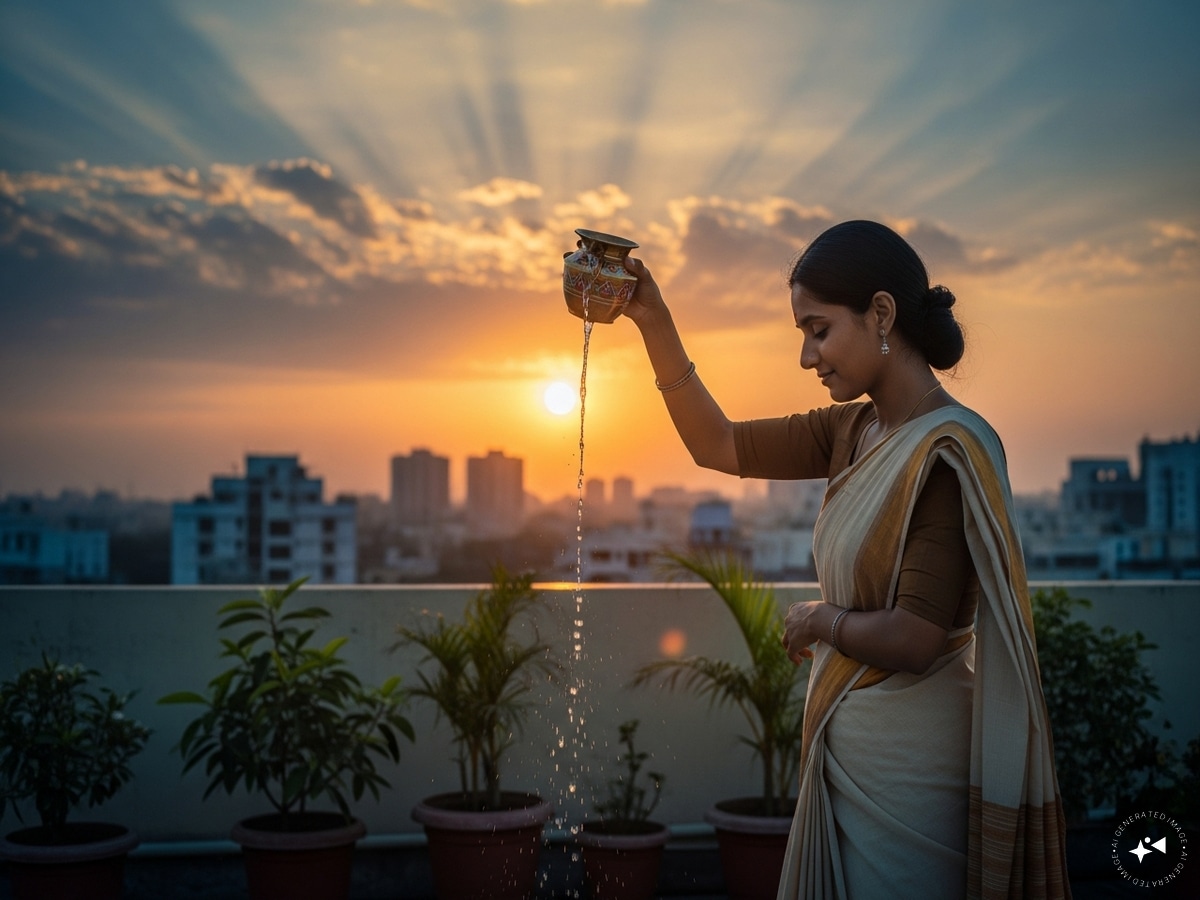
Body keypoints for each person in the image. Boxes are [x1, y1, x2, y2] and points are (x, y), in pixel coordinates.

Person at [619, 220, 1070, 899]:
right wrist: (651, 320)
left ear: (881, 313)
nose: (807, 356)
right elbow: (716, 444)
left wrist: (817, 618)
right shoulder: (850, 430)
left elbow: (916, 637)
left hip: (911, 773)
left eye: (819, 330)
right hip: (849, 758)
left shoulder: (944, 450)